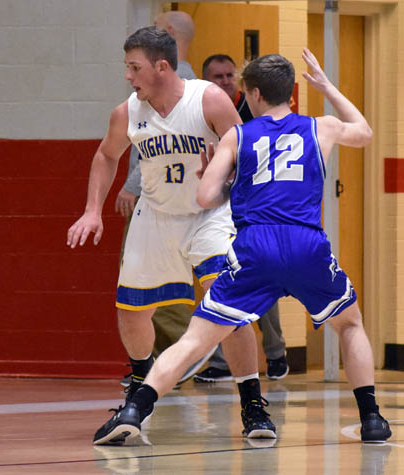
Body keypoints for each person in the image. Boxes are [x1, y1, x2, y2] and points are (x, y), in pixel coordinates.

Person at [93, 50, 391, 446]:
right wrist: (326, 87)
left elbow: (204, 197)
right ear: (291, 93)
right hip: (306, 244)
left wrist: (225, 182)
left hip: (256, 246)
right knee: (349, 324)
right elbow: (365, 131)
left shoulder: (238, 135)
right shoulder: (322, 127)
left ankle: (136, 409)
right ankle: (371, 418)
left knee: (196, 339)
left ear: (253, 94)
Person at [68, 25, 267, 440]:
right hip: (155, 215)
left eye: (134, 67)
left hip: (209, 215)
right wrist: (92, 211)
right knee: (131, 311)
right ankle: (140, 387)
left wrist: (227, 180)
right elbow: (106, 155)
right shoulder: (127, 112)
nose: (128, 76)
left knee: (228, 308)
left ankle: (252, 404)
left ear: (161, 66)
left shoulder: (208, 99)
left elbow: (246, 153)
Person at [115, 10, 206, 390]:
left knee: (158, 286)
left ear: (167, 33)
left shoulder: (178, 82)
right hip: (170, 199)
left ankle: (183, 356)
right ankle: (160, 364)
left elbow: (165, 147)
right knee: (150, 289)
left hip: (169, 200)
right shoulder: (168, 79)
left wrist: (132, 184)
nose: (130, 74)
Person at [194, 53, 289, 383]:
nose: (224, 81)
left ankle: (276, 352)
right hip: (219, 207)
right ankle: (222, 362)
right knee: (224, 281)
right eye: (217, 76)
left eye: (228, 75)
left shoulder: (256, 110)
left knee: (262, 278)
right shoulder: (202, 110)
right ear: (206, 81)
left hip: (256, 209)